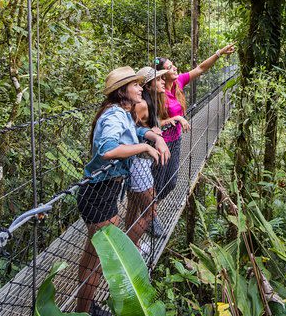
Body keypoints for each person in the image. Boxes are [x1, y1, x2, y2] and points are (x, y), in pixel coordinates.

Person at [75, 67, 170, 314]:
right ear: (122, 91)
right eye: (135, 85)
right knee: (95, 261)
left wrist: (152, 136)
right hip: (99, 194)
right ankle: (85, 310)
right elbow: (107, 150)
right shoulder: (114, 116)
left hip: (103, 191)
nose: (141, 88)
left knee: (93, 257)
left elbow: (134, 131)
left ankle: (85, 307)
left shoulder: (122, 113)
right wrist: (144, 148)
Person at [152, 43, 235, 209]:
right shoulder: (157, 92)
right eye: (170, 67)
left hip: (176, 140)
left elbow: (201, 68)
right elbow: (150, 123)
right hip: (161, 143)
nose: (174, 68)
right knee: (157, 183)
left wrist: (219, 52)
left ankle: (151, 210)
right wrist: (175, 118)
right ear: (162, 74)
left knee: (171, 183)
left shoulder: (178, 84)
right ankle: (150, 214)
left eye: (173, 64)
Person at [125, 66, 168, 242]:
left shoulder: (150, 101)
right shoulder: (142, 104)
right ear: (148, 85)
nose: (162, 81)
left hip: (140, 160)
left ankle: (131, 245)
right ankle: (127, 250)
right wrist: (151, 131)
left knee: (133, 206)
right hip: (139, 161)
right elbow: (131, 129)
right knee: (150, 212)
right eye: (158, 79)